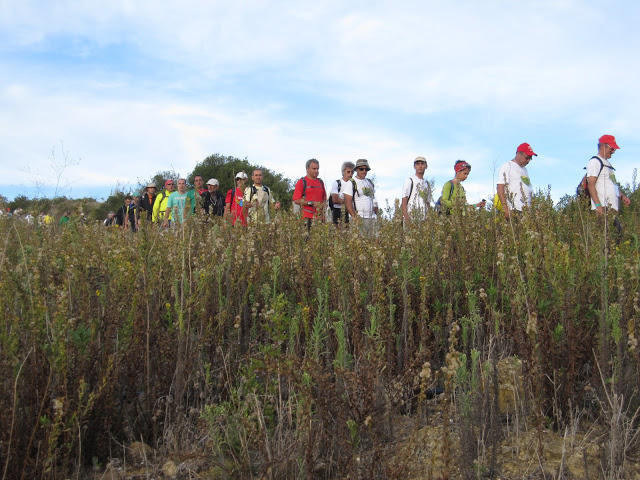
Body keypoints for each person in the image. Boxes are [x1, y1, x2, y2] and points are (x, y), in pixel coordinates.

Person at [587, 134, 631, 214]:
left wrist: (622, 196)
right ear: (603, 146)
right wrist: (598, 206)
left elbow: (614, 185)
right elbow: (591, 184)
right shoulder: (595, 162)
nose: (613, 151)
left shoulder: (608, 165)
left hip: (612, 208)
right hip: (602, 208)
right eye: (612, 148)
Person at [496, 143, 536, 219]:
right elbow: (500, 187)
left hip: (527, 211)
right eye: (527, 157)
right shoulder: (508, 166)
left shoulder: (525, 170)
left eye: (530, 158)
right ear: (518, 154)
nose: (528, 161)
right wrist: (506, 209)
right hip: (514, 210)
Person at [343, 158, 378, 235]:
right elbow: (348, 203)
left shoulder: (369, 182)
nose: (364, 171)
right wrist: (355, 218)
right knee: (360, 244)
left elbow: (373, 198)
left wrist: (376, 213)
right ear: (356, 170)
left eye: (366, 169)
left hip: (372, 218)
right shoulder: (351, 183)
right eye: (361, 169)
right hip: (359, 218)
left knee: (374, 243)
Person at [292, 159, 327, 229]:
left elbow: (324, 199)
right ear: (307, 169)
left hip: (319, 218)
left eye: (317, 169)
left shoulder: (320, 182)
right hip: (306, 218)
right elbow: (296, 200)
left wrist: (323, 210)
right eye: (314, 169)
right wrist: (311, 203)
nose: (316, 171)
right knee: (307, 239)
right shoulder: (301, 182)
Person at [401, 156, 430, 223]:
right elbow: (404, 201)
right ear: (414, 166)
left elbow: (428, 203)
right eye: (417, 164)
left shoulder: (427, 184)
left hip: (424, 221)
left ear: (426, 166)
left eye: (422, 164)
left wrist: (428, 218)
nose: (420, 166)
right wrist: (407, 219)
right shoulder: (409, 181)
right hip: (411, 219)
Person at [329, 161, 355, 226]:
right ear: (343, 172)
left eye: (352, 172)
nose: (350, 174)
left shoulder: (353, 184)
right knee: (337, 232)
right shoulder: (337, 183)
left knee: (346, 231)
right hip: (337, 211)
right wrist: (348, 201)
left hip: (348, 211)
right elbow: (335, 200)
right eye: (348, 172)